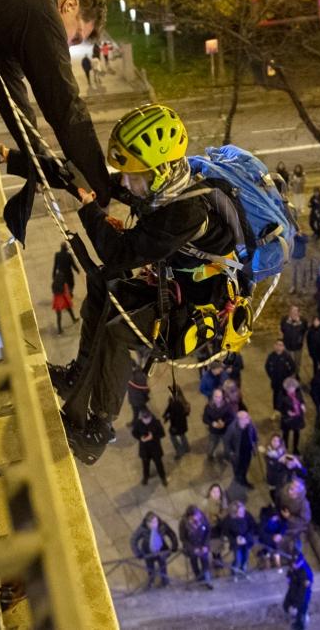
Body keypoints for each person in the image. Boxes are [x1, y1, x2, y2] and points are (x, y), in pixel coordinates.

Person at [49, 105, 244, 464]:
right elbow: (118, 189)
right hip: (174, 290)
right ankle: (78, 373)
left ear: (161, 172)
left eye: (133, 176)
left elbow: (120, 253)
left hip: (194, 310)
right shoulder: (168, 191)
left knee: (119, 332)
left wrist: (90, 208)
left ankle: (98, 428)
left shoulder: (185, 211)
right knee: (100, 282)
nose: (126, 183)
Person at [0, 0, 111, 244]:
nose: (66, 46)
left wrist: (37, 163)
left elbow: (12, 94)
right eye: (74, 37)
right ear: (70, 4)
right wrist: (103, 191)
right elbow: (64, 106)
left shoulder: (17, 13)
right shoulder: (42, 4)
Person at [130, 512, 178, 589]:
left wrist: (174, 546)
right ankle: (151, 582)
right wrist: (138, 553)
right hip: (148, 552)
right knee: (150, 568)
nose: (155, 524)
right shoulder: (142, 528)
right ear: (147, 523)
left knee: (163, 567)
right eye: (152, 523)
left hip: (161, 550)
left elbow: (171, 534)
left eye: (156, 522)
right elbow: (133, 540)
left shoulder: (162, 525)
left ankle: (165, 582)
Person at [220, 500, 257, 576]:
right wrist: (235, 539)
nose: (243, 513)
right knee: (238, 558)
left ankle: (243, 570)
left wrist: (246, 538)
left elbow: (252, 526)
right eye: (240, 512)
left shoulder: (247, 515)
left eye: (243, 511)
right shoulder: (228, 520)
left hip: (246, 540)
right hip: (236, 543)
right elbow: (226, 532)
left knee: (245, 557)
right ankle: (234, 571)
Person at [179, 506, 213, 588]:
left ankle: (207, 580)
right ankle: (199, 578)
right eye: (196, 516)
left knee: (205, 561)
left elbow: (208, 532)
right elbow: (183, 538)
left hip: (202, 545)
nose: (198, 517)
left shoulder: (203, 518)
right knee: (194, 562)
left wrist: (205, 545)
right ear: (190, 516)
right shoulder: (183, 523)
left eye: (198, 515)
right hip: (192, 547)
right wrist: (193, 549)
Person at [131, 408, 167, 487]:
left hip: (155, 448)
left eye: (148, 418)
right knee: (145, 464)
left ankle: (163, 477)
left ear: (151, 416)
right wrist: (140, 438)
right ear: (141, 418)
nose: (146, 421)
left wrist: (153, 436)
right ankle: (146, 477)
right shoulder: (138, 423)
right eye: (144, 419)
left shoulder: (156, 423)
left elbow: (162, 434)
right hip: (145, 449)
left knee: (159, 464)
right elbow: (134, 433)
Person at [223, 410, 259, 489]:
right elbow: (226, 441)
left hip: (247, 451)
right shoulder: (232, 428)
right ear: (240, 419)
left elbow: (255, 435)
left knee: (245, 467)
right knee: (237, 469)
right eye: (246, 417)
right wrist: (230, 453)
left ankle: (243, 478)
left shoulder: (250, 424)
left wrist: (255, 444)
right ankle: (239, 481)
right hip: (237, 454)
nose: (249, 418)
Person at [51, 242, 80, 334]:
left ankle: (63, 327)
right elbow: (73, 264)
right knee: (66, 306)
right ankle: (62, 327)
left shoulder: (57, 255)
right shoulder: (68, 255)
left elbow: (55, 266)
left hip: (60, 291)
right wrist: (77, 270)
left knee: (63, 309)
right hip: (67, 277)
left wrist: (54, 274)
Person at [265, 340, 298, 411]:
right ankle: (275, 411)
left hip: (285, 382)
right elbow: (267, 367)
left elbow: (293, 367)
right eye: (277, 344)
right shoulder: (271, 356)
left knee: (285, 396)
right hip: (275, 381)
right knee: (276, 396)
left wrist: (288, 378)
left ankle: (285, 410)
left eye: (281, 345)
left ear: (283, 347)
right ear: (274, 346)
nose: (278, 347)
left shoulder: (287, 357)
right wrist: (272, 376)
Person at [203, 389, 234, 463]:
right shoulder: (208, 406)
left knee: (226, 446)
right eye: (216, 396)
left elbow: (231, 417)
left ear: (222, 397)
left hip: (225, 431)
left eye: (220, 397)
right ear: (213, 397)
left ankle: (227, 457)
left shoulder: (227, 406)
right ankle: (210, 455)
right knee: (212, 444)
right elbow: (205, 419)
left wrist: (224, 422)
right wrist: (212, 423)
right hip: (214, 431)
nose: (218, 399)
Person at [277, 377, 306, 455]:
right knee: (286, 434)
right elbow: (279, 406)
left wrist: (303, 405)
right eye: (290, 388)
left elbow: (301, 400)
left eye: (293, 387)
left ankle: (295, 448)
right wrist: (287, 412)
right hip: (287, 418)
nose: (292, 390)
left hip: (297, 417)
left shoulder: (298, 392)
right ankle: (285, 448)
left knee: (297, 433)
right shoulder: (282, 394)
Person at [163, 385, 190, 459]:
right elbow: (169, 407)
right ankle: (186, 448)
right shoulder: (173, 399)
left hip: (178, 425)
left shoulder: (178, 403)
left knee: (173, 437)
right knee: (182, 436)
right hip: (180, 425)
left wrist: (168, 417)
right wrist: (165, 413)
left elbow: (177, 417)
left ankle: (179, 452)